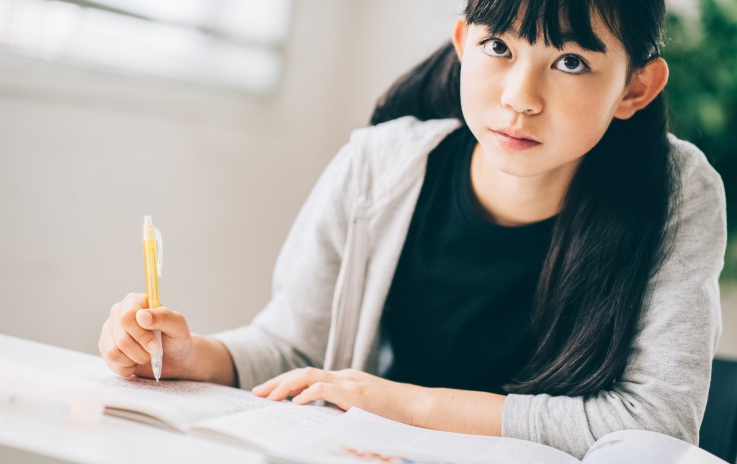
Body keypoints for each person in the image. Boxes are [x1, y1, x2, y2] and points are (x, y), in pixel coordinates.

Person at [98, 0, 727, 458]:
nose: (520, 96)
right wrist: (192, 357)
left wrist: (406, 402)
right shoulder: (377, 165)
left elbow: (656, 425)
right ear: (461, 43)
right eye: (498, 47)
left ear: (636, 88)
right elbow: (294, 350)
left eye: (569, 61)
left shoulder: (675, 190)